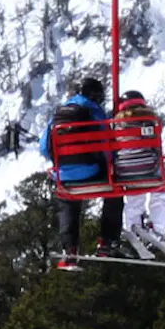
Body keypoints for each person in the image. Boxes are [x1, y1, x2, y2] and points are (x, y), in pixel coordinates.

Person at [45, 75, 108, 254]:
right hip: (91, 172)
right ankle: (108, 241)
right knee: (114, 192)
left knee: (66, 198)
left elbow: (44, 146)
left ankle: (69, 248)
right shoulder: (95, 111)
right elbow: (106, 143)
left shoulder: (60, 113)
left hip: (64, 175)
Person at [109, 89, 165, 258]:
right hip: (149, 170)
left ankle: (133, 228)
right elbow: (156, 149)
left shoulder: (115, 123)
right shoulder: (150, 120)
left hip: (125, 172)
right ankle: (157, 230)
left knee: (134, 197)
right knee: (161, 193)